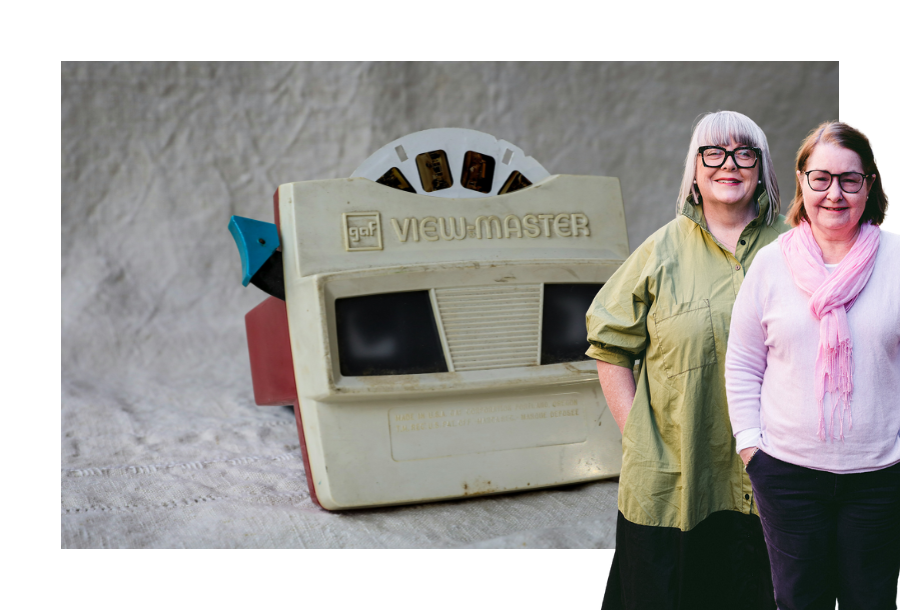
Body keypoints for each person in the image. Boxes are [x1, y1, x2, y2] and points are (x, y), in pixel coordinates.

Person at [587, 110, 788, 610]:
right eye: (713, 153)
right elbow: (610, 345)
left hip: (771, 477)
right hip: (675, 480)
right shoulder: (661, 251)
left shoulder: (793, 248)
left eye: (745, 153)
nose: (729, 164)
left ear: (761, 168)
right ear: (694, 171)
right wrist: (637, 433)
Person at [726, 121, 899, 610]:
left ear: (869, 185)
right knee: (802, 602)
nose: (834, 194)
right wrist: (750, 449)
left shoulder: (896, 262)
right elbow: (743, 364)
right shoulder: (769, 265)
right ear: (802, 181)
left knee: (872, 601)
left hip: (880, 478)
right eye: (820, 178)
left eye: (850, 179)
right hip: (787, 474)